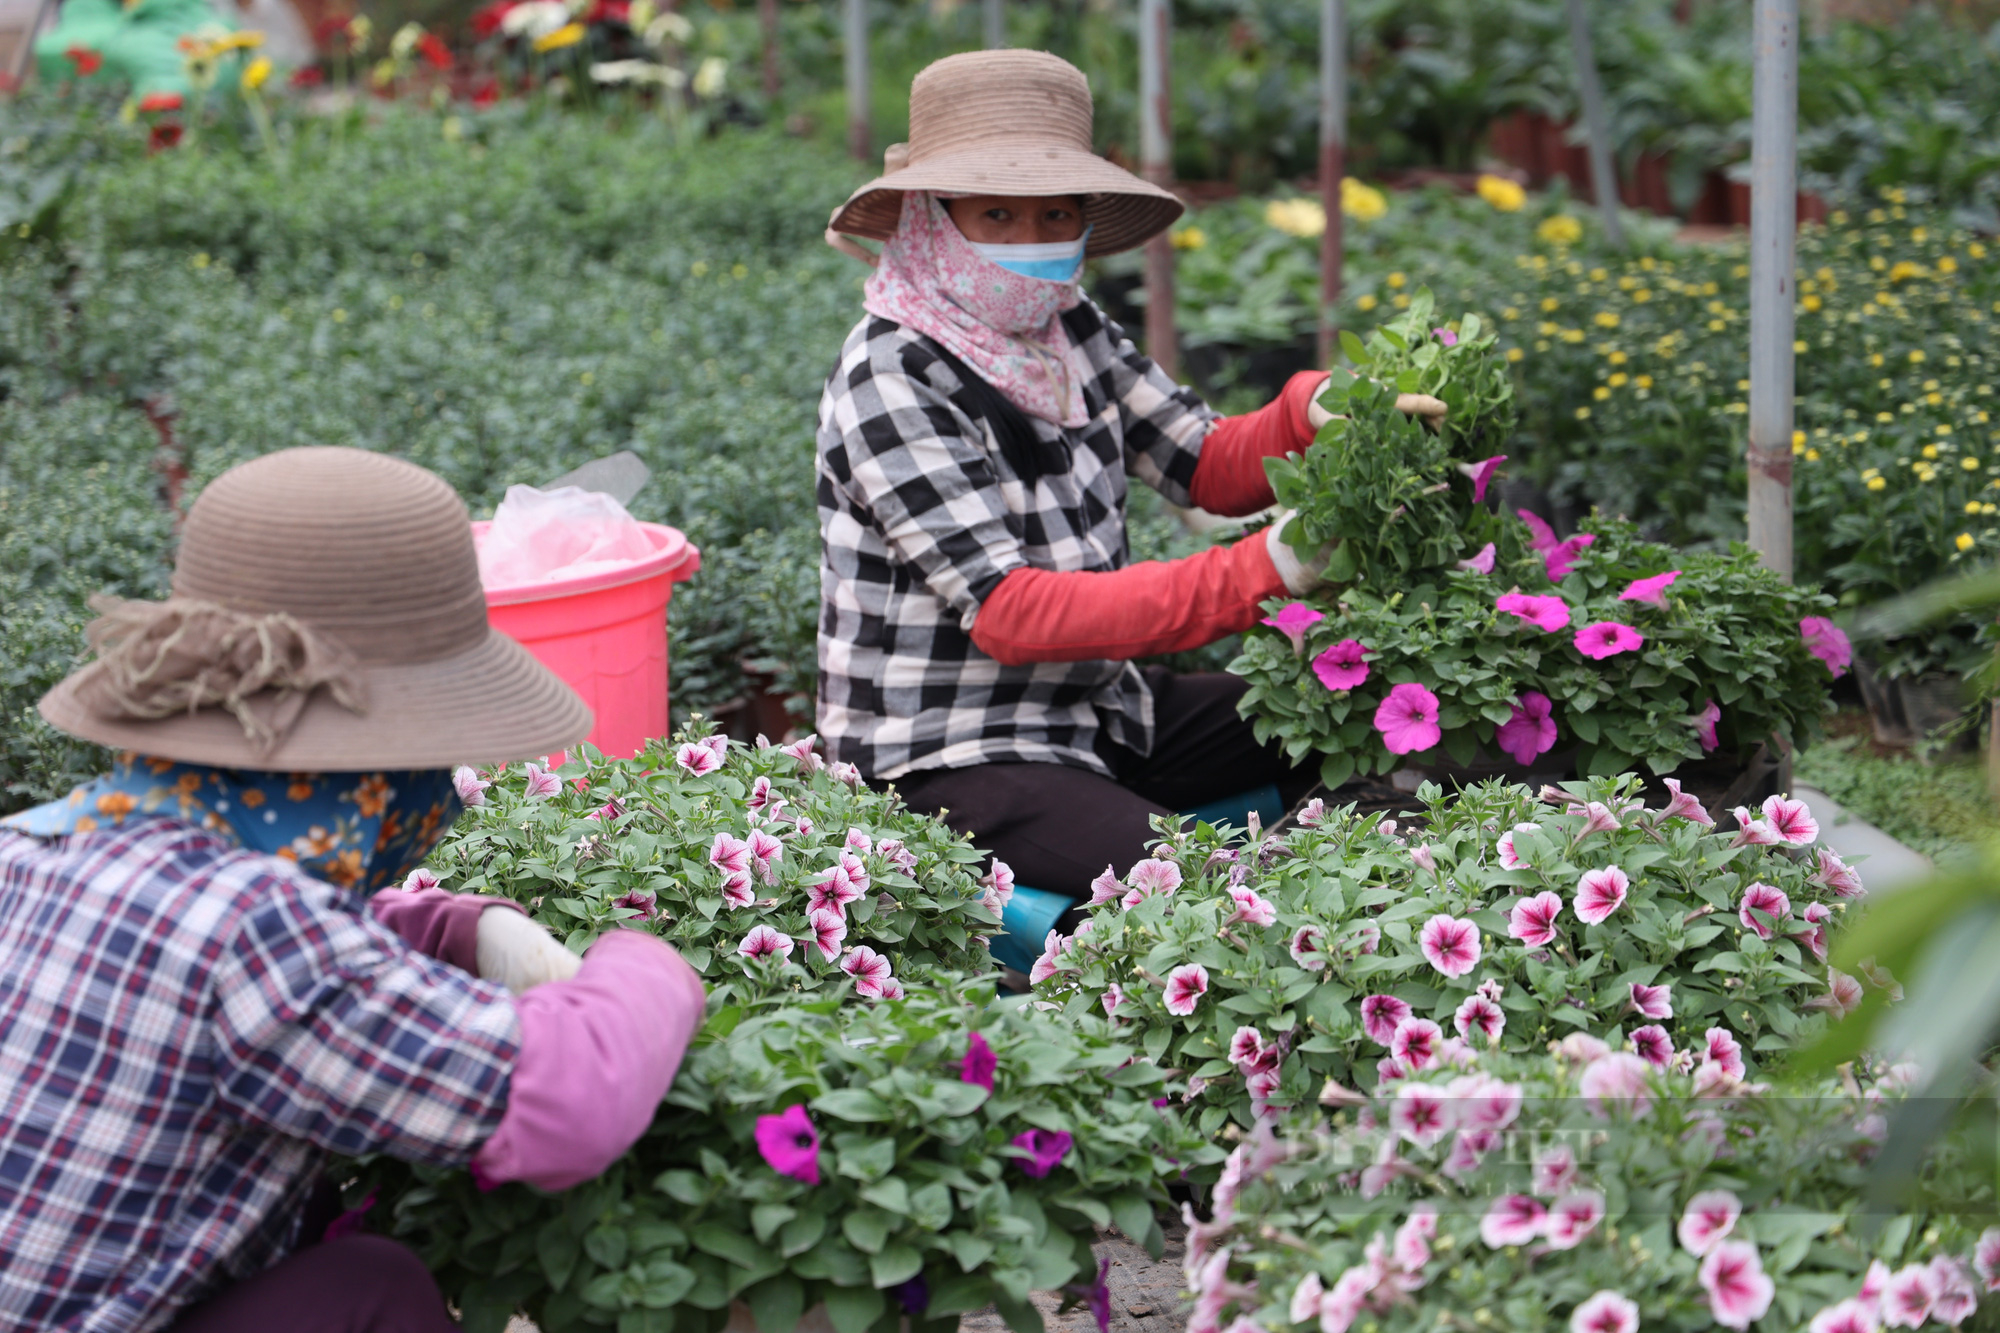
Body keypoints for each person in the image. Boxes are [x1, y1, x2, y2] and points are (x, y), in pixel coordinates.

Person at [0, 447, 707, 1333]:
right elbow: (572, 1099)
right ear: (373, 768)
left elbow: (231, 957)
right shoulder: (258, 934)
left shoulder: (38, 846)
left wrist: (448, 929)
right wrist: (643, 960)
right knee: (374, 1291)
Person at [815, 50, 1439, 903]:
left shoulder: (1067, 325)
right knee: (1198, 892)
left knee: (1369, 709)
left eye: (1056, 215)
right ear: (931, 217)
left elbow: (1202, 460)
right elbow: (1012, 613)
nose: (1032, 244)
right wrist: (1265, 570)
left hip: (1098, 711)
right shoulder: (892, 374)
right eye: (998, 214)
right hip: (951, 753)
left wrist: (1313, 408)